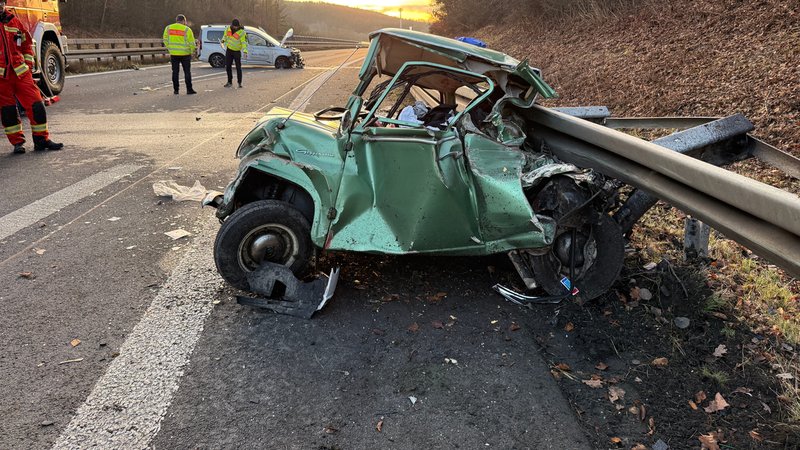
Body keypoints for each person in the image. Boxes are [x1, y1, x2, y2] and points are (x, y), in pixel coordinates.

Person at [0, 0, 62, 154]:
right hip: (2, 78)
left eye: (2, 2)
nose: (0, 6)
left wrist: (27, 65)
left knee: (37, 106)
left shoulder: (14, 21)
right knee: (8, 112)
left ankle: (42, 140)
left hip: (21, 74)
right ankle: (17, 143)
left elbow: (27, 45)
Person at [163, 14, 197, 95]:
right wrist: (192, 51)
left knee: (175, 72)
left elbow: (165, 40)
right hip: (185, 54)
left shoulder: (168, 28)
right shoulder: (187, 29)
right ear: (183, 21)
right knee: (187, 72)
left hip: (174, 54)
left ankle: (176, 90)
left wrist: (170, 48)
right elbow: (192, 43)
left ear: (176, 20)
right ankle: (189, 89)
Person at [222, 19, 247, 88]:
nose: (235, 27)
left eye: (237, 26)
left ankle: (239, 82)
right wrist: (223, 40)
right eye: (234, 26)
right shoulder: (228, 29)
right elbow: (225, 36)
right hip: (229, 50)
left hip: (237, 51)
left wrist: (245, 51)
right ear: (232, 25)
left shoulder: (242, 32)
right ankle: (229, 82)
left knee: (238, 67)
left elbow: (244, 42)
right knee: (228, 66)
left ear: (238, 25)